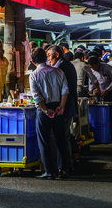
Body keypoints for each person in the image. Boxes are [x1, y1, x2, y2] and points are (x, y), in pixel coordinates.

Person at [29, 48, 69, 180]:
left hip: (44, 110)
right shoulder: (58, 71)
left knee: (44, 141)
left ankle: (49, 171)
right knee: (61, 139)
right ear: (46, 58)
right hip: (57, 107)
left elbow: (37, 97)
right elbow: (65, 90)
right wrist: (61, 106)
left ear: (33, 62)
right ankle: (64, 169)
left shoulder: (34, 75)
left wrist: (45, 110)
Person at [46, 45, 78, 177]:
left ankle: (62, 167)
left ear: (57, 55)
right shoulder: (67, 64)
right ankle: (67, 166)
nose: (48, 58)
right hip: (68, 105)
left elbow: (60, 88)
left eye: (49, 55)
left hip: (64, 106)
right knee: (65, 136)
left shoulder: (60, 67)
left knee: (60, 137)